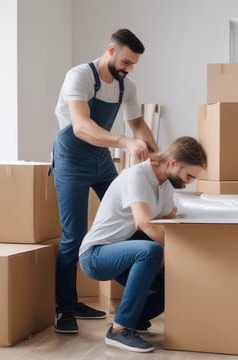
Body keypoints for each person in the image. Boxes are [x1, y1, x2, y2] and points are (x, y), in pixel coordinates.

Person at [51, 28, 159, 334]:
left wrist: (157, 156)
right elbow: (82, 126)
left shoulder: (128, 85)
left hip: (100, 161)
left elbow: (138, 125)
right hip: (71, 160)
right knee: (73, 234)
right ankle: (65, 308)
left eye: (133, 64)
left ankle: (137, 294)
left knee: (131, 219)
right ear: (111, 51)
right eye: (126, 61)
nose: (128, 69)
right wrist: (124, 142)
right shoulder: (80, 76)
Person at [78, 136, 207, 353]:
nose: (188, 182)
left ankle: (135, 321)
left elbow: (170, 222)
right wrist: (185, 251)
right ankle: (119, 330)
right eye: (188, 176)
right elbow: (144, 223)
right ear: (173, 163)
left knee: (174, 284)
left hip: (126, 252)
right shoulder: (137, 175)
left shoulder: (165, 186)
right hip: (96, 255)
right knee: (151, 250)